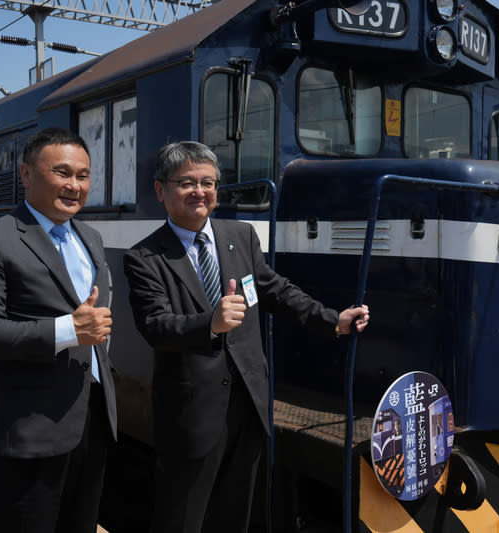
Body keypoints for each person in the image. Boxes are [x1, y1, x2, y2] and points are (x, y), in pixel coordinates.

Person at [123, 141, 370, 533]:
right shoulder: (145, 257)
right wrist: (210, 323)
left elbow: (275, 290)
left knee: (236, 513)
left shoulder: (240, 235)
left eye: (208, 182)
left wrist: (332, 320)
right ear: (161, 190)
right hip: (192, 412)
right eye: (187, 182)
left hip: (249, 403)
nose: (199, 192)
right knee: (181, 515)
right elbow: (155, 326)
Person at [0, 127, 117, 533]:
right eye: (62, 172)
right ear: (26, 175)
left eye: (83, 175)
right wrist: (67, 330)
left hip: (91, 422)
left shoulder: (90, 237)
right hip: (28, 431)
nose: (74, 185)